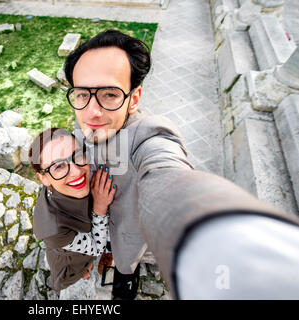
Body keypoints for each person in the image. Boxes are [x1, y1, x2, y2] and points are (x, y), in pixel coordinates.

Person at [64, 29, 299, 299]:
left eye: (110, 94)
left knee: (126, 263)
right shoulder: (84, 121)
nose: (92, 111)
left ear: (134, 100)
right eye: (82, 94)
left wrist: (212, 232)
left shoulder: (149, 136)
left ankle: (126, 280)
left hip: (130, 230)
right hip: (97, 218)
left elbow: (169, 175)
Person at [29, 127, 117, 294]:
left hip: (79, 246)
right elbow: (97, 247)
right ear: (43, 178)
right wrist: (99, 207)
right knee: (77, 270)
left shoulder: (58, 181)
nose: (77, 171)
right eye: (58, 166)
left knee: (86, 258)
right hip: (68, 260)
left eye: (77, 155)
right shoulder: (52, 230)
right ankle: (80, 271)